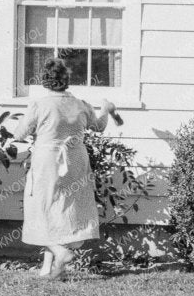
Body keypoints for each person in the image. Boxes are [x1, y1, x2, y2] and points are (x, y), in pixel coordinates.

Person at [14, 58, 120, 280]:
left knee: (42, 210)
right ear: (66, 80)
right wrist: (106, 110)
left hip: (48, 161)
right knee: (62, 212)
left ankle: (61, 251)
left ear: (45, 80)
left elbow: (18, 134)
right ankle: (49, 269)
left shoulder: (40, 105)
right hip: (75, 160)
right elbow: (99, 127)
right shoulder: (80, 104)